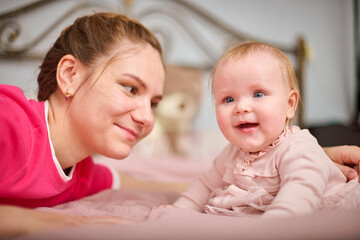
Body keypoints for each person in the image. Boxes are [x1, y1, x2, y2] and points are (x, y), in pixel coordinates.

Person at [0, 12, 359, 238]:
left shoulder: (81, 173)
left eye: (154, 102)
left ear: (289, 104)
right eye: (130, 88)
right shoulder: (9, 120)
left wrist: (289, 156)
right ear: (70, 75)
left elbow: (155, 183)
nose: (147, 117)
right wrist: (42, 224)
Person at [173, 42, 359, 218]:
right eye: (229, 99)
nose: (241, 107)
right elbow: (205, 186)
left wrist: (273, 228)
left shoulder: (298, 147)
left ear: (289, 104)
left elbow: (301, 191)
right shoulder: (230, 153)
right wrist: (176, 211)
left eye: (258, 94)